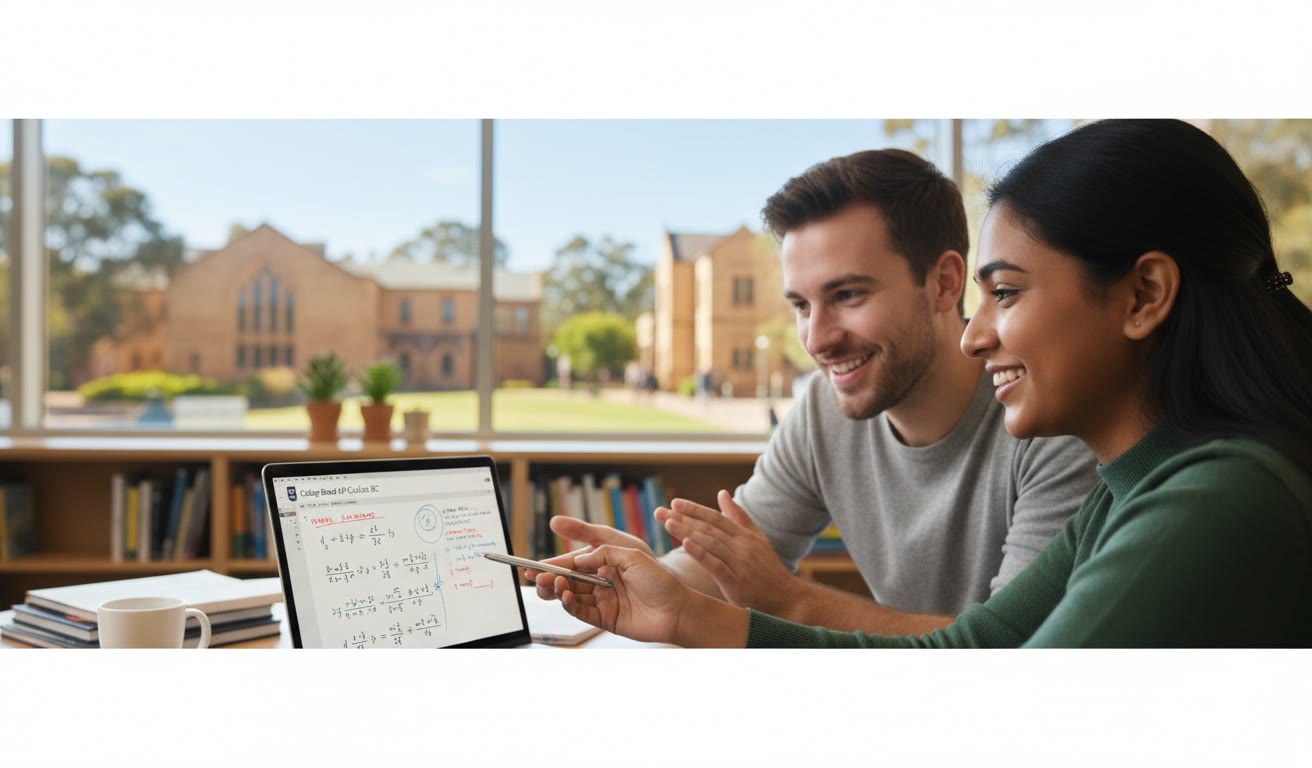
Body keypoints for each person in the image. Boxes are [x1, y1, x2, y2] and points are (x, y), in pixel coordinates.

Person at [546, 119, 1312, 647]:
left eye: (1005, 293)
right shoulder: (1133, 482)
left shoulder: (1210, 495)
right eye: (800, 305)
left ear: (1143, 296)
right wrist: (673, 605)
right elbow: (980, 647)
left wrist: (778, 600)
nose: (978, 335)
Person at [526, 148, 1100, 636]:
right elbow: (730, 556)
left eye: (848, 294)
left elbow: (1015, 648)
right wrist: (639, 576)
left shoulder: (1053, 417)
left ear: (946, 282)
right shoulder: (827, 410)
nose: (817, 339)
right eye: (801, 305)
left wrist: (790, 601)